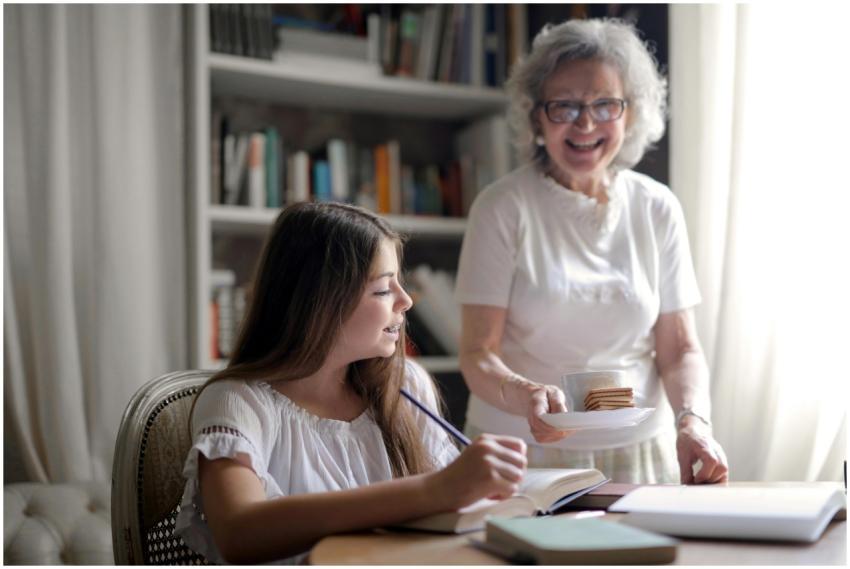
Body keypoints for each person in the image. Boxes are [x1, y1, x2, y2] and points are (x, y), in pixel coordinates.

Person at [175, 202, 527, 564]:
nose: (406, 301)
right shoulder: (239, 403)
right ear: (319, 302)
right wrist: (434, 490)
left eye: (399, 284)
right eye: (382, 290)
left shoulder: (406, 386)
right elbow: (238, 532)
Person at [455, 18, 728, 485]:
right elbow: (478, 353)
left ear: (630, 113)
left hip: (640, 447)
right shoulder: (501, 207)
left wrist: (693, 420)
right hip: (518, 449)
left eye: (605, 104)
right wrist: (525, 395)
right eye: (564, 106)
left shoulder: (657, 207)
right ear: (536, 116)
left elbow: (680, 348)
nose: (585, 123)